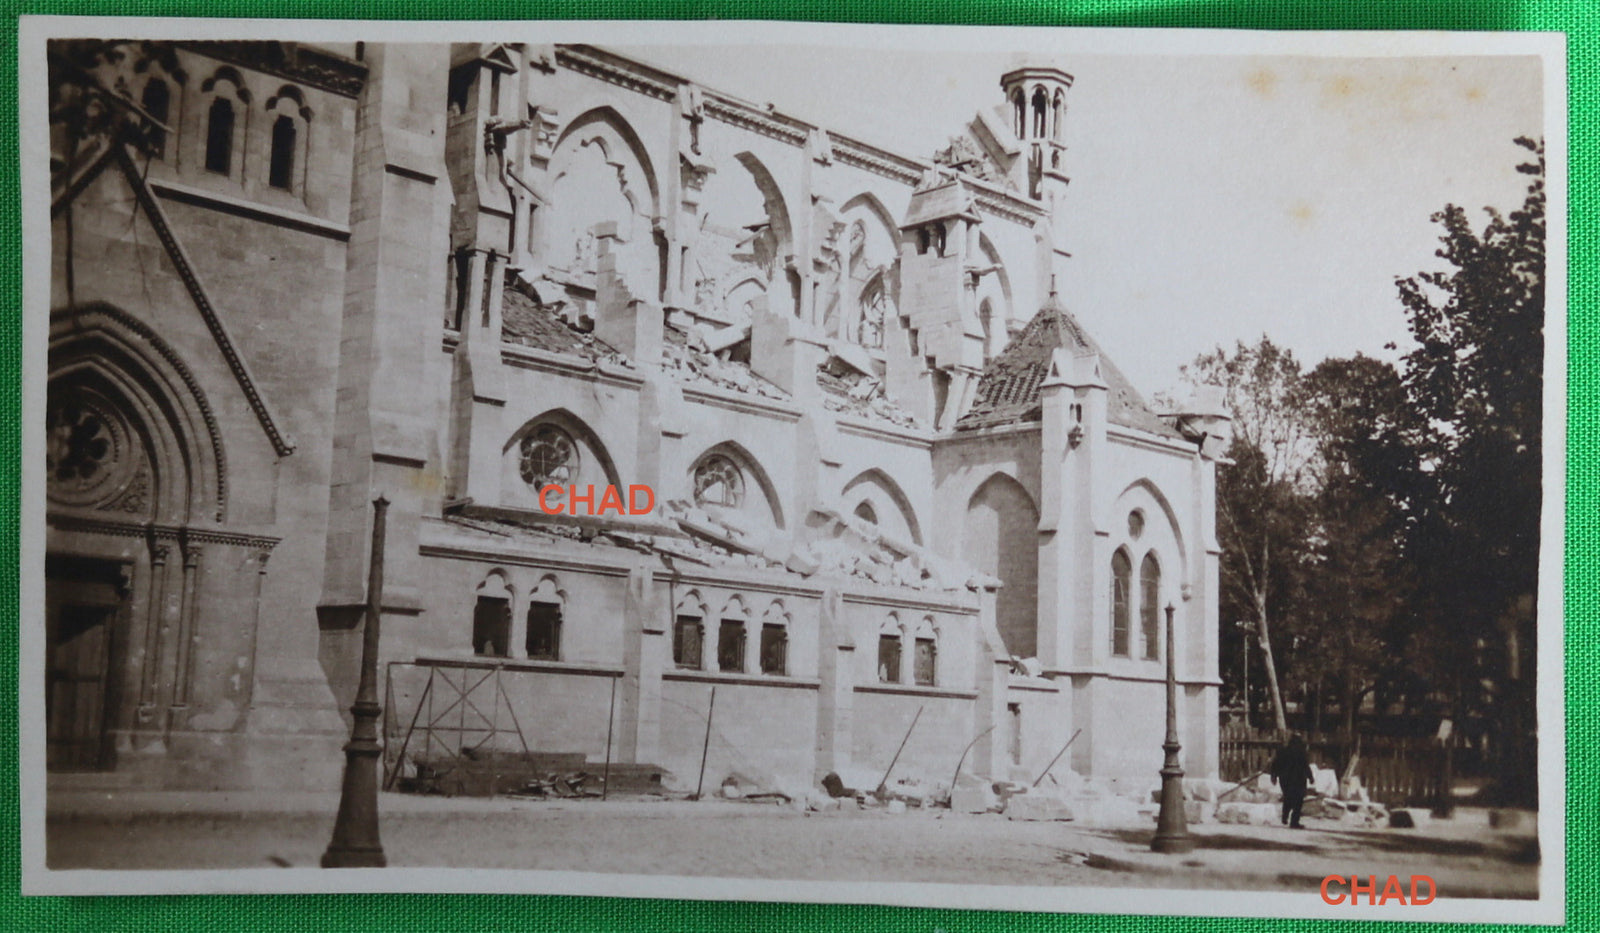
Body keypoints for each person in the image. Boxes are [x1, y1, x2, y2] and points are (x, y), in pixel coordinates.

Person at [1270, 734, 1315, 828]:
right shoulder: (1301, 752)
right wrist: (1310, 777)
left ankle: (1285, 816)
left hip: (1285, 779)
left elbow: (1275, 765)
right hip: (1298, 779)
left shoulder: (1282, 751)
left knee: (1288, 798)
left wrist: (1273, 776)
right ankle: (1294, 822)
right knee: (1298, 801)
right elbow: (1305, 766)